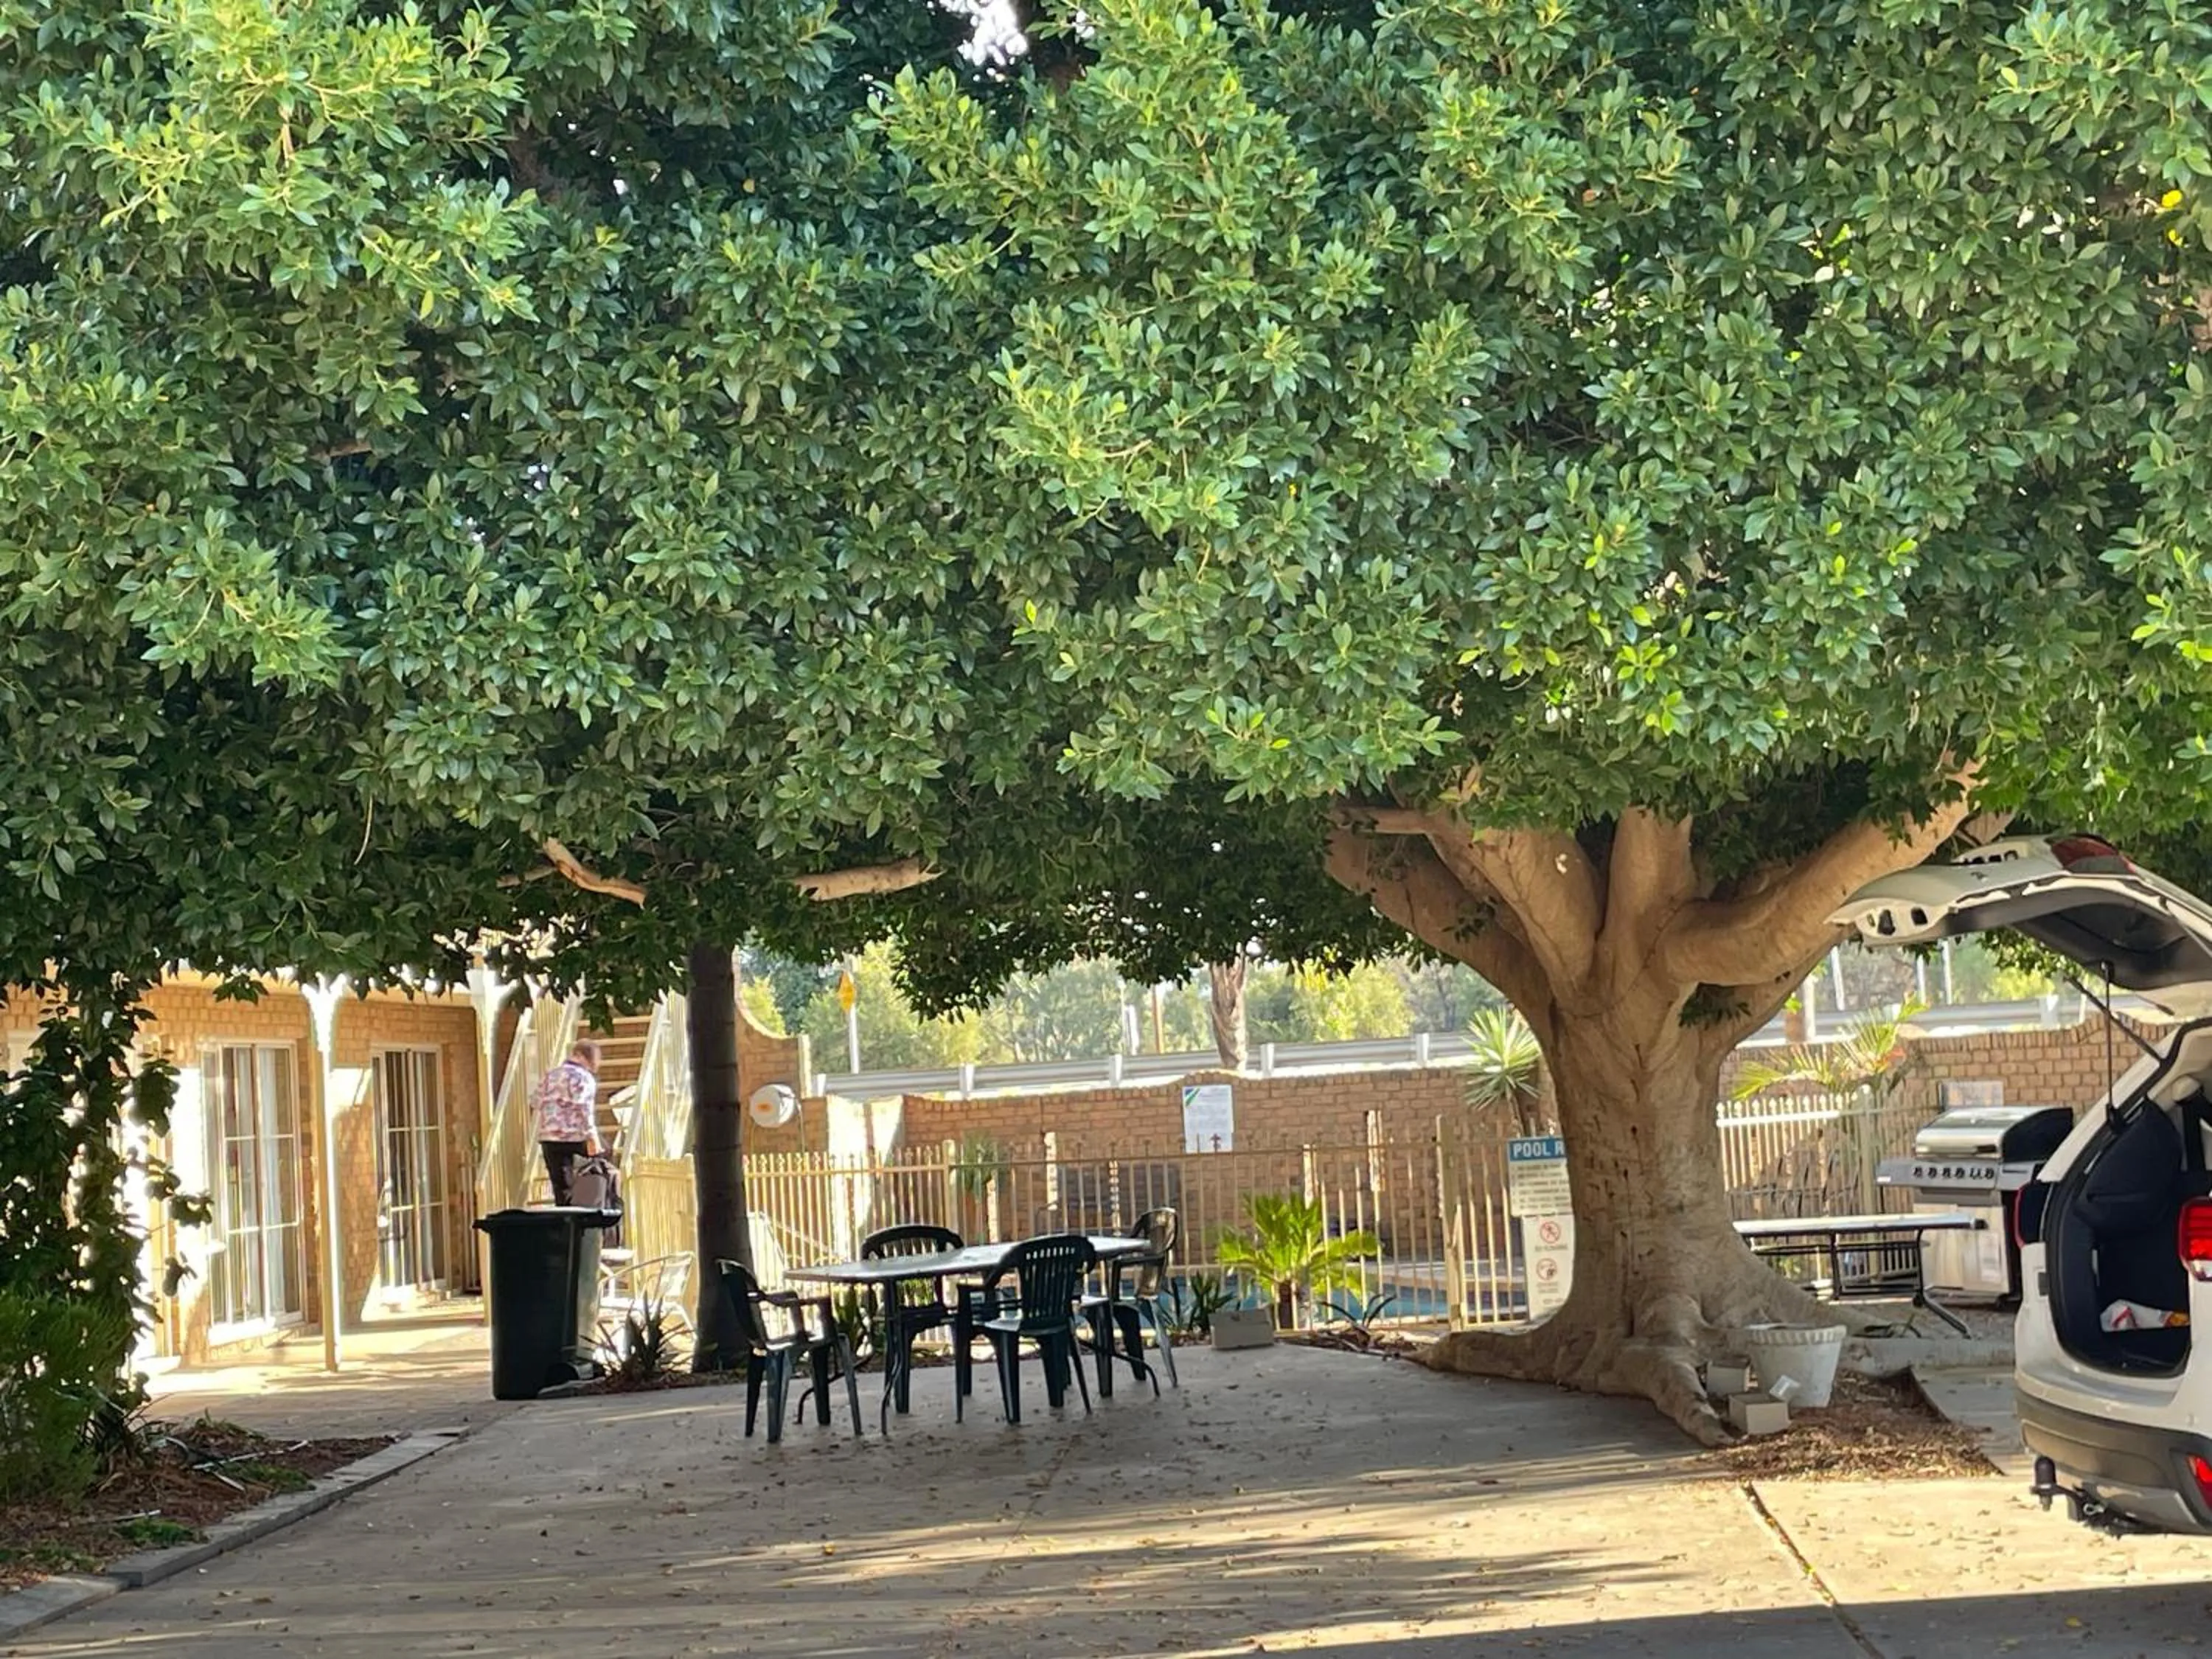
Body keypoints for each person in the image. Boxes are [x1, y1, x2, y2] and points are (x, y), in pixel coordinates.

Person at [533, 1040, 602, 1205]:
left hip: (549, 1137)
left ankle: (566, 1225)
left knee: (561, 1189)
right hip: (575, 1137)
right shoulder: (584, 1078)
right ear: (587, 1059)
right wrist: (593, 1138)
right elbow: (584, 1109)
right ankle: (595, 1202)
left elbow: (536, 1102)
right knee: (603, 1159)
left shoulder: (550, 1075)